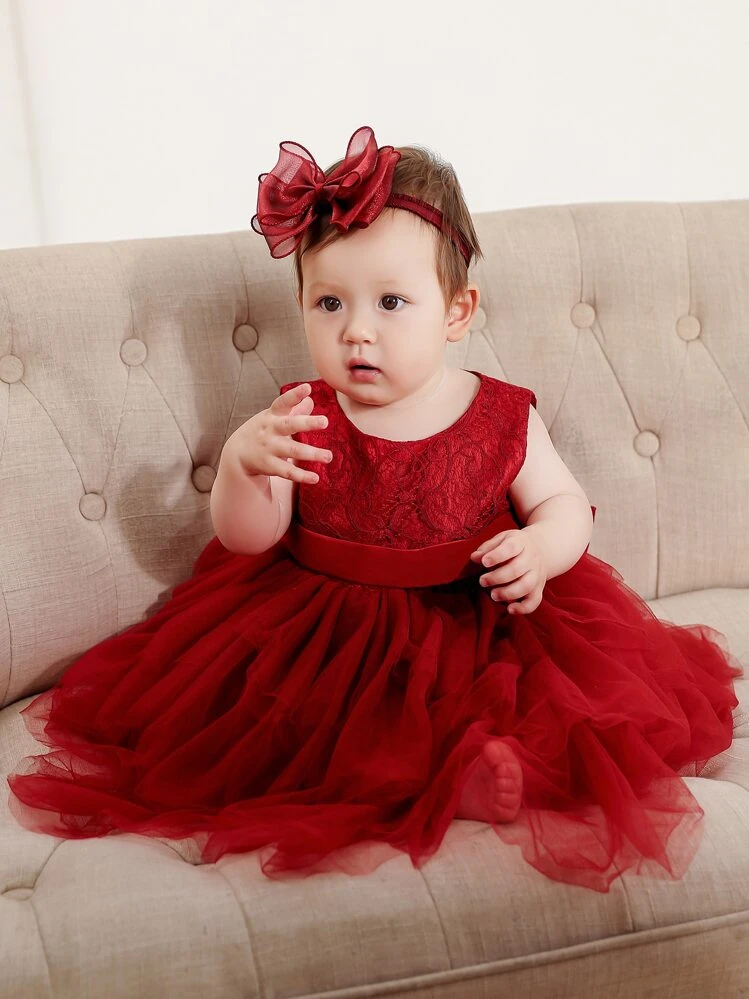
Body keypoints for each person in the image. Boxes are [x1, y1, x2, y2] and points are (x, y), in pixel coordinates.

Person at [6, 125, 743, 894]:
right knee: (323, 731)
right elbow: (250, 537)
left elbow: (562, 502)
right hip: (327, 633)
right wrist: (242, 466)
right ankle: (438, 780)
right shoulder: (301, 414)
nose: (356, 329)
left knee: (502, 708)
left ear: (456, 311)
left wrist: (542, 549)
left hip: (473, 618)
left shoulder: (501, 414)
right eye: (329, 302)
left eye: (391, 302)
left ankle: (477, 769)